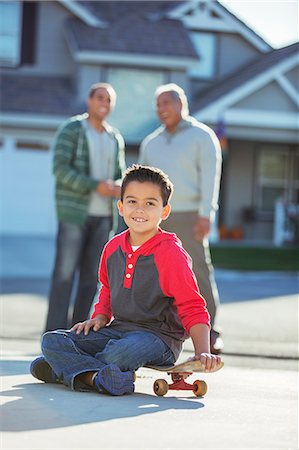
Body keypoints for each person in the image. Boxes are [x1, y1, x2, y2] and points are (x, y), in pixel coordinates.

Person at [30, 165, 222, 396]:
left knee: (120, 353)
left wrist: (202, 351)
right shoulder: (112, 248)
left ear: (165, 210)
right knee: (52, 341)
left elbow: (192, 306)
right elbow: (107, 290)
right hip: (117, 330)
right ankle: (95, 378)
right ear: (121, 207)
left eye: (150, 203)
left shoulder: (171, 253)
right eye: (132, 201)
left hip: (157, 339)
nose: (139, 209)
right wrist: (100, 316)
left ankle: (64, 370)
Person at [139, 83, 223, 353]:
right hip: (157, 217)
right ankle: (155, 330)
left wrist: (205, 215)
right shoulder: (151, 142)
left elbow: (211, 177)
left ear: (180, 105)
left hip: (190, 215)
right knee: (153, 273)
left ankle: (211, 332)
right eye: (158, 105)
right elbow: (142, 181)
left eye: (166, 103)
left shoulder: (202, 136)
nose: (161, 109)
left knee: (198, 271)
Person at [45, 82, 126, 332]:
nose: (104, 103)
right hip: (74, 214)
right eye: (99, 97)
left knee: (92, 279)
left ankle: (76, 334)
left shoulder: (115, 138)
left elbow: (119, 174)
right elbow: (60, 169)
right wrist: (95, 186)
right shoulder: (72, 129)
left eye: (109, 99)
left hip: (104, 217)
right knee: (64, 275)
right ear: (89, 101)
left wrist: (117, 186)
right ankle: (54, 334)